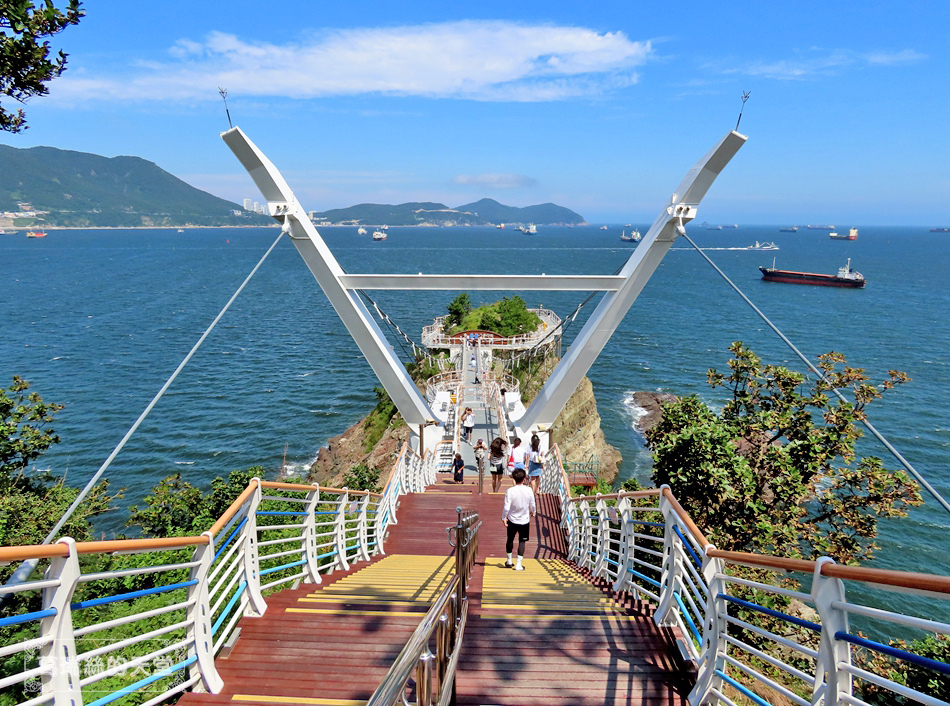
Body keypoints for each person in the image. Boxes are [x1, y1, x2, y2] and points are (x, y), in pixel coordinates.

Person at [502, 468, 536, 570]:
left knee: (510, 539)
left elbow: (506, 507)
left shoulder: (510, 491)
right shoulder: (529, 490)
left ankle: (509, 560)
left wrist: (504, 517)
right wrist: (533, 512)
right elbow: (532, 504)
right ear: (524, 478)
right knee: (522, 541)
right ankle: (518, 564)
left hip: (512, 519)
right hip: (524, 520)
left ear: (514, 478)